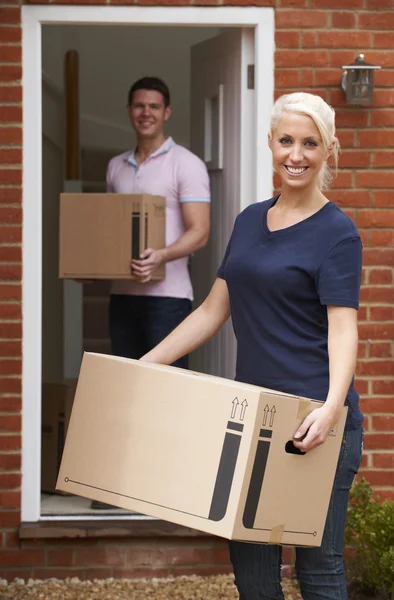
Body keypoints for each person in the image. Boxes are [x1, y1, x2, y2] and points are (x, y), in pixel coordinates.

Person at [140, 92, 363, 600]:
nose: (297, 154)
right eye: (287, 141)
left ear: (329, 150)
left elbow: (343, 329)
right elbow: (213, 311)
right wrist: (145, 365)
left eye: (311, 143)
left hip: (315, 424)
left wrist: (331, 409)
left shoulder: (338, 233)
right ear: (271, 143)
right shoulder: (248, 220)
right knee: (255, 576)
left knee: (319, 570)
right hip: (254, 420)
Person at [90, 77, 210, 510]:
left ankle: (169, 491)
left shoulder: (186, 164)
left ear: (167, 112)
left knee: (167, 393)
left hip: (169, 299)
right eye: (139, 105)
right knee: (124, 391)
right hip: (123, 296)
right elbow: (114, 227)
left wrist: (161, 255)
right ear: (129, 110)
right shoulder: (116, 167)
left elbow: (200, 232)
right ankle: (122, 488)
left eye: (154, 106)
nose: (146, 113)